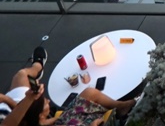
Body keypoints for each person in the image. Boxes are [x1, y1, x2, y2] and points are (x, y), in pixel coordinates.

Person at [5, 82, 136, 126]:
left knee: (89, 93)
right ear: (39, 115)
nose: (49, 101)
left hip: (63, 121)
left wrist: (29, 98)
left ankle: (119, 107)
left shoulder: (35, 122)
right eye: (45, 103)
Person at [0, 46, 47, 117]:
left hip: (6, 106)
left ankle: (38, 68)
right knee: (23, 75)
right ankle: (38, 66)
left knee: (21, 74)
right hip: (20, 111)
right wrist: (5, 99)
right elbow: (19, 119)